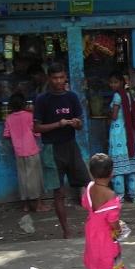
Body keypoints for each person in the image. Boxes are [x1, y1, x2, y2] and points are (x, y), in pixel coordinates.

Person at [34, 62, 91, 239]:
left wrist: (76, 123)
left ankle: (96, 225)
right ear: (49, 79)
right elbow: (36, 128)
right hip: (51, 150)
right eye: (55, 78)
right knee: (59, 192)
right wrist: (57, 124)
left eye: (61, 77)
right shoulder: (42, 99)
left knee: (88, 184)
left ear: (66, 77)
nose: (58, 81)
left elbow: (81, 124)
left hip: (71, 146)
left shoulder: (72, 97)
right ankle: (66, 230)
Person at [82, 153, 127, 269]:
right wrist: (119, 230)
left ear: (91, 173)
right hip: (105, 235)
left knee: (95, 258)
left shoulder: (90, 187)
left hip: (92, 230)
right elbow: (112, 220)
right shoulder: (110, 194)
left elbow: (85, 204)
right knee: (108, 260)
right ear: (111, 173)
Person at [3, 92, 50, 213]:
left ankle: (26, 205)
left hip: (19, 152)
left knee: (23, 179)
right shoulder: (29, 116)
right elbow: (37, 132)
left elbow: (6, 134)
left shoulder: (9, 118)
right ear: (24, 104)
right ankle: (39, 205)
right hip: (31, 151)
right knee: (35, 178)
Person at [107, 70, 135, 203]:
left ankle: (119, 198)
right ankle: (134, 197)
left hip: (118, 134)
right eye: (111, 82)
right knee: (130, 168)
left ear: (121, 82)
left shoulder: (117, 96)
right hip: (128, 134)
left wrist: (108, 112)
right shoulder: (127, 95)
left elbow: (114, 115)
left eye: (115, 82)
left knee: (118, 170)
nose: (112, 85)